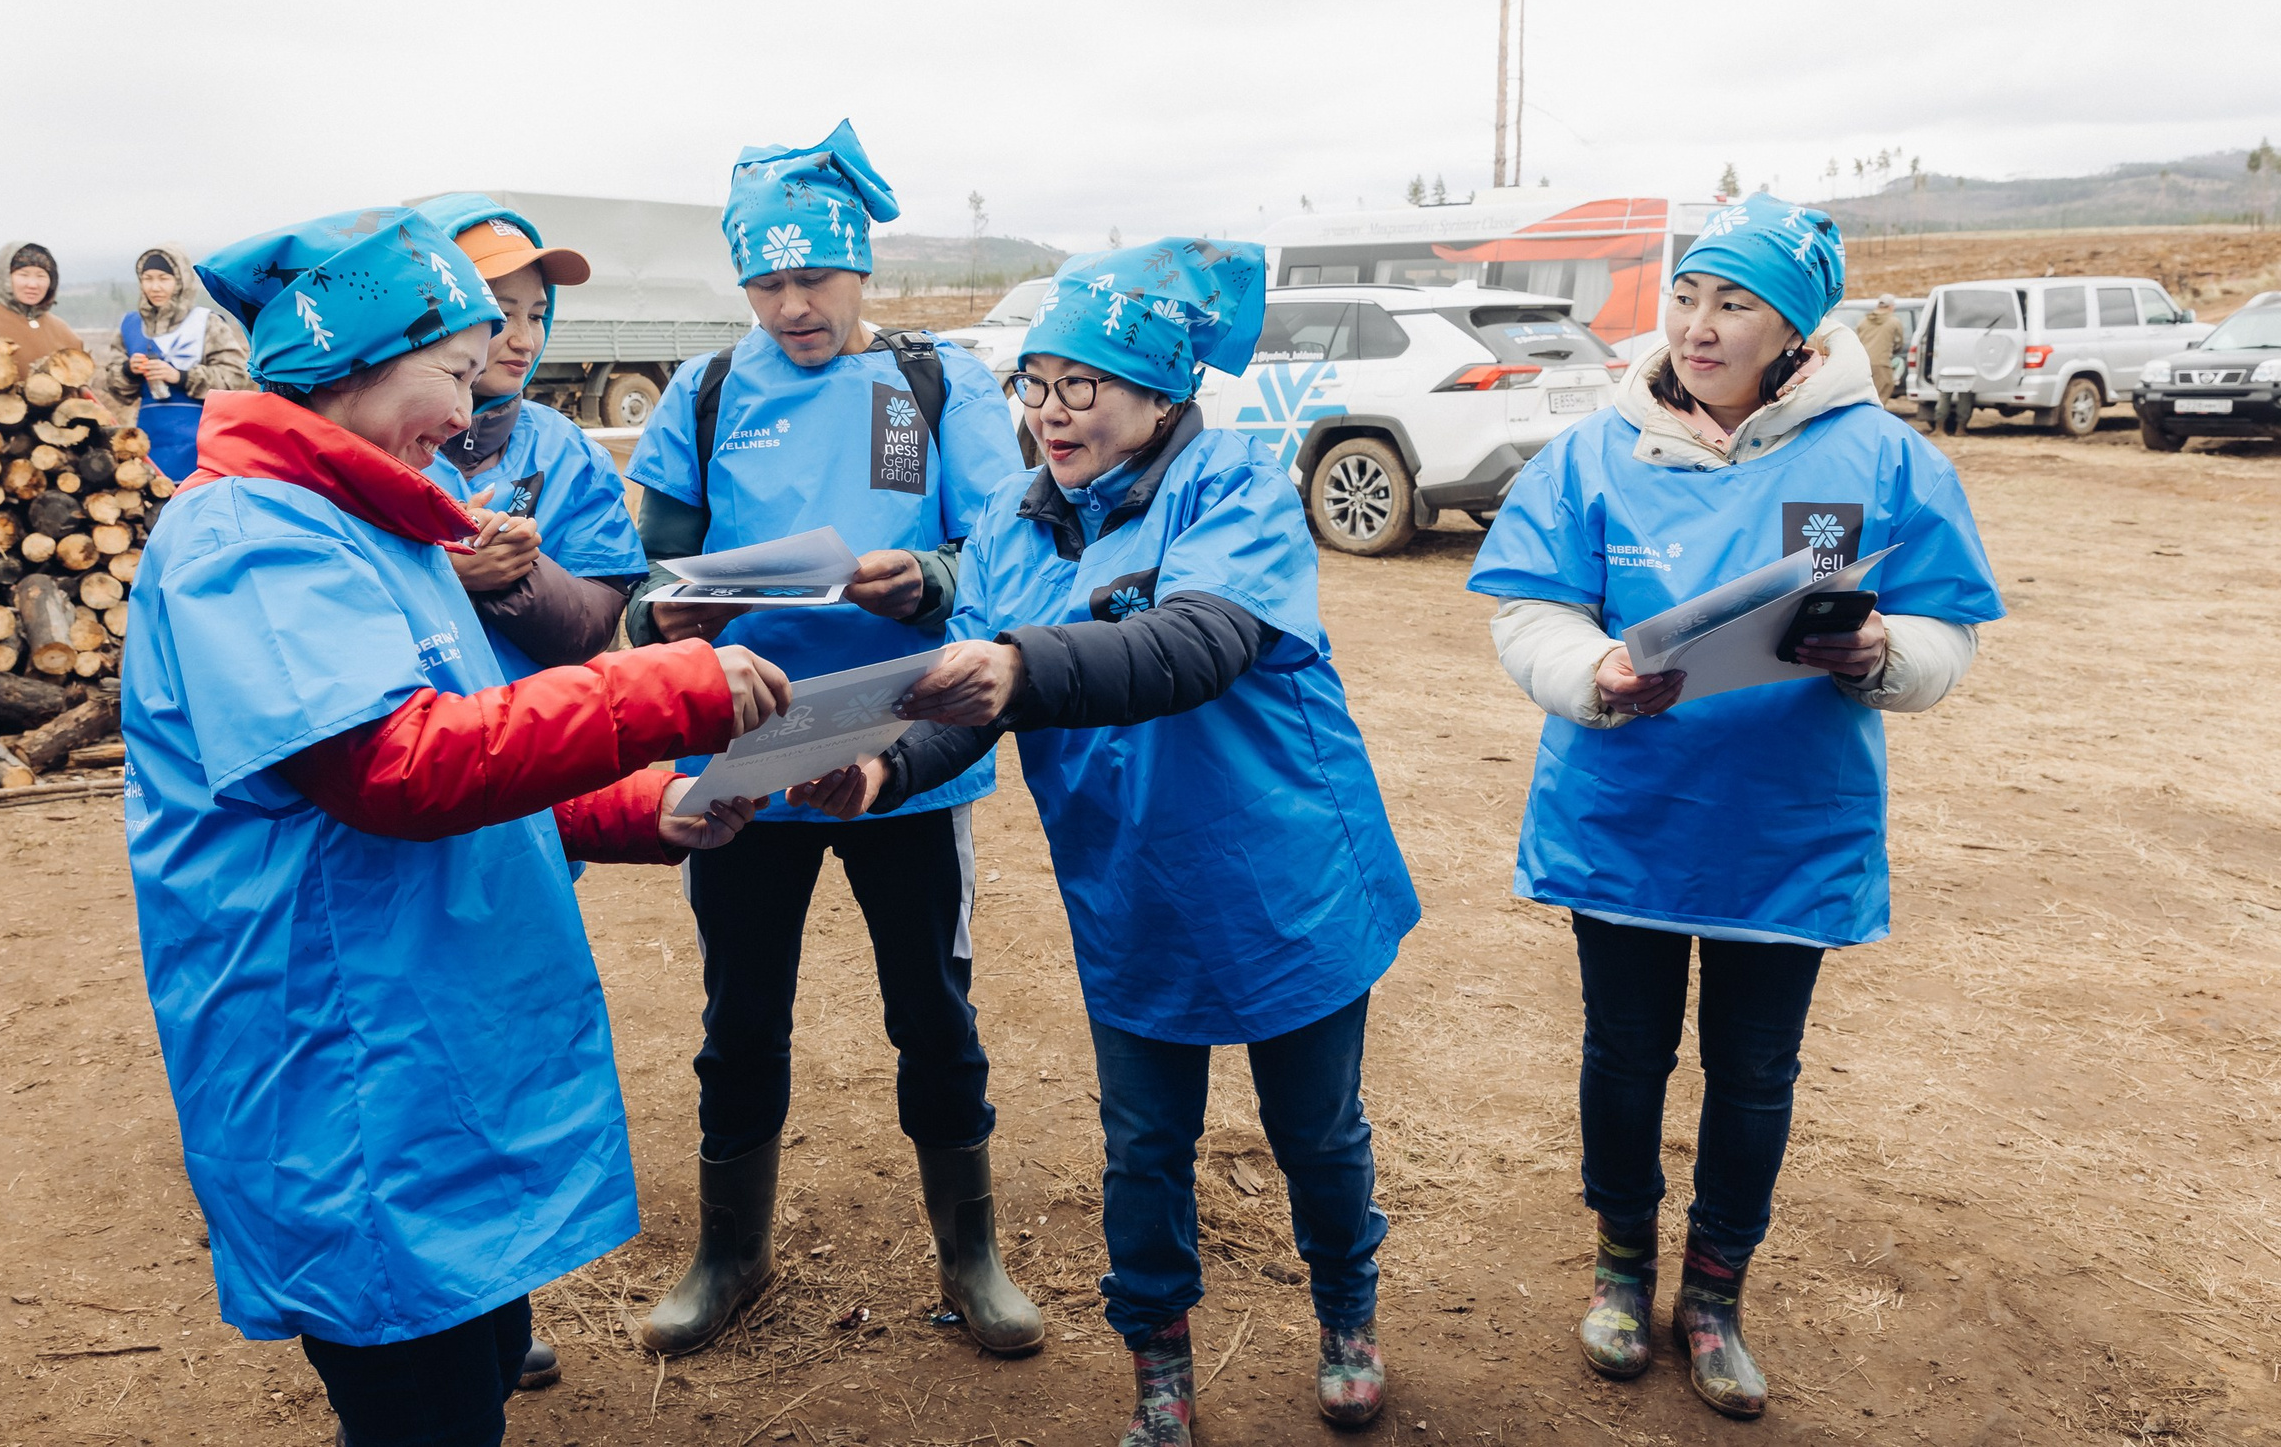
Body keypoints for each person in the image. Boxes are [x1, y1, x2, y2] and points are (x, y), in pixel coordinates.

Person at [122, 206, 787, 1447]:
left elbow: (474, 729)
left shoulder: (373, 513)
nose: (470, 399)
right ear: (352, 366)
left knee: (467, 1367)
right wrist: (655, 697)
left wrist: (657, 809)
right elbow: (394, 770)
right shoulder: (246, 536)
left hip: (425, 1023)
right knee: (417, 1399)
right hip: (344, 1048)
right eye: (449, 369)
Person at [792, 239, 1420, 1446]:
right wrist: (878, 768)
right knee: (1142, 1149)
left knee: (1318, 1133)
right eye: (1034, 382)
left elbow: (1194, 647)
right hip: (1130, 890)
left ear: (1161, 395)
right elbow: (960, 705)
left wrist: (1023, 663)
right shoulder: (1011, 530)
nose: (1048, 413)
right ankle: (1160, 1377)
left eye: (1082, 385)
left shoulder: (1230, 488)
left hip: (1284, 878)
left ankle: (1347, 1312)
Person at [1465, 194, 2005, 1420]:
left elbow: (1943, 626)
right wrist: (1589, 673)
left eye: (1734, 304)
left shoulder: (1880, 457)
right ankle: (1619, 1269)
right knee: (1624, 1055)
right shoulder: (1596, 451)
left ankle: (1713, 1297)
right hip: (1625, 816)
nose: (1698, 328)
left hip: (1786, 828)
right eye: (1689, 297)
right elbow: (1528, 611)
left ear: (1795, 331)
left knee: (1755, 1071)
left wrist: (1882, 657)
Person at [620, 121, 1041, 1358]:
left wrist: (923, 577)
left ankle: (970, 1260)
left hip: (905, 742)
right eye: (768, 282)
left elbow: (999, 555)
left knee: (933, 1009)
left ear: (863, 269)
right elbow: (646, 583)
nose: (794, 307)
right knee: (740, 1012)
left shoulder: (933, 385)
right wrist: (670, 609)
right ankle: (729, 1256)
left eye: (816, 278)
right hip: (747, 749)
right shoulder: (703, 395)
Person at [413, 195, 644, 674]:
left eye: (537, 315)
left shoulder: (572, 453)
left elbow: (596, 622)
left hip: (543, 737)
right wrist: (442, 572)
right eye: (500, 313)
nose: (525, 339)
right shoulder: (365, 445)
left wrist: (511, 572)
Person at [103, 244, 252, 478]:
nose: (155, 287)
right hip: (146, 442)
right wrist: (128, 371)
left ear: (180, 280)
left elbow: (236, 377)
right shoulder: (130, 326)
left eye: (164, 278)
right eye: (147, 279)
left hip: (201, 444)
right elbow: (114, 387)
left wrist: (180, 376)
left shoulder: (206, 323)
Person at [0, 240, 91, 381]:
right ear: (5, 278)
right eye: (23, 275)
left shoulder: (65, 333)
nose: (33, 284)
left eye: (41, 276)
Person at [1854, 294, 1901, 404]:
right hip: (1882, 363)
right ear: (1891, 307)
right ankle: (1873, 416)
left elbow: (1857, 339)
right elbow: (1899, 342)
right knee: (1884, 390)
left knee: (1866, 393)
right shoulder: (1894, 321)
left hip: (1863, 362)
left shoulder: (1863, 321)